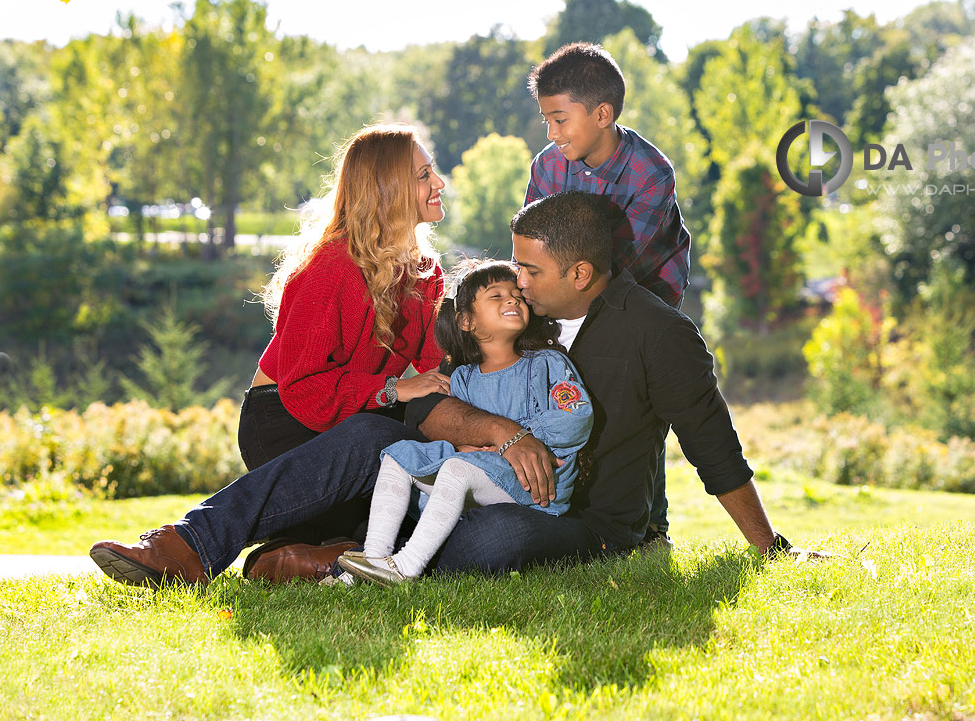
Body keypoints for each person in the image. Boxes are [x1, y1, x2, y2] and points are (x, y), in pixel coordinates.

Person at [88, 193, 793, 588]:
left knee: (499, 536)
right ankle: (189, 545)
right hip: (460, 472)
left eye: (529, 270)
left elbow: (714, 448)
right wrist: (499, 431)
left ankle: (339, 556)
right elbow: (429, 397)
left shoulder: (656, 334)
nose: (513, 282)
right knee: (371, 436)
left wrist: (770, 548)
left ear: (580, 274)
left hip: (569, 511)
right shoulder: (514, 313)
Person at [235, 123, 453, 547]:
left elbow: (436, 370)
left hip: (354, 412)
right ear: (387, 189)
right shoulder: (333, 268)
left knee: (405, 531)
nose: (438, 183)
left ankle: (293, 549)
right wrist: (394, 389)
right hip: (285, 418)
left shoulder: (426, 274)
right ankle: (285, 546)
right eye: (423, 175)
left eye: (433, 172)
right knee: (379, 525)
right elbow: (303, 389)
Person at [526, 42, 691, 549]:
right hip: (569, 285)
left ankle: (652, 525)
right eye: (546, 122)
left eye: (560, 120)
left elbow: (616, 270)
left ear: (602, 114)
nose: (552, 135)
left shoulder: (650, 173)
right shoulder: (550, 166)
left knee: (640, 397)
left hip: (642, 287)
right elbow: (533, 235)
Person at [339, 260, 592, 585]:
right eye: (496, 295)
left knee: (457, 469)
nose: (512, 299)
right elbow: (452, 433)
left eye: (516, 294)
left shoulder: (548, 364)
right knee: (397, 456)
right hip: (483, 475)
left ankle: (406, 567)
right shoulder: (460, 379)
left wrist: (515, 440)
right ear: (466, 321)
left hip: (537, 482)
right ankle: (374, 559)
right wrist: (463, 445)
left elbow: (577, 416)